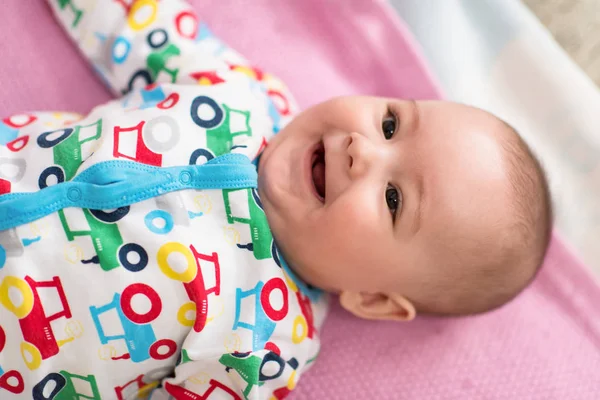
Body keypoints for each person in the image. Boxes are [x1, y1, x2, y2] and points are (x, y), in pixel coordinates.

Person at [0, 0, 552, 398]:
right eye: (389, 123)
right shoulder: (244, 94)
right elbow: (146, 27)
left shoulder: (266, 344)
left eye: (393, 199)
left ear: (375, 298)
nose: (364, 149)